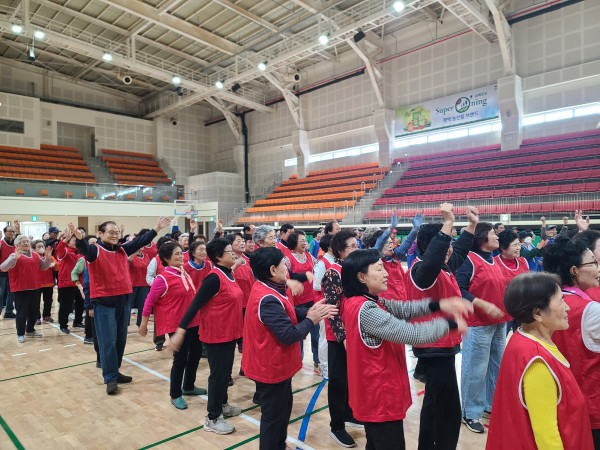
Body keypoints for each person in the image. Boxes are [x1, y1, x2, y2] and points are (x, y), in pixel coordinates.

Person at [341, 249, 471, 450]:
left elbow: (403, 309)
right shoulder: (366, 310)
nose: (386, 273)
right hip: (380, 397)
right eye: (379, 269)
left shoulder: (366, 301)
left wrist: (439, 304)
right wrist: (450, 324)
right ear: (361, 276)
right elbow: (411, 334)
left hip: (375, 394)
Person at [486, 272, 595, 450]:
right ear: (537, 313)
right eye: (561, 301)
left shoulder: (524, 339)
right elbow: (547, 436)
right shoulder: (537, 361)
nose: (567, 307)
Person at [242, 247, 337, 450]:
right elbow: (288, 335)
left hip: (276, 365)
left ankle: (279, 445)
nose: (287, 268)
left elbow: (286, 312)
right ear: (272, 270)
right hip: (270, 367)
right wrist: (311, 319)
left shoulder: (269, 287)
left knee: (282, 411)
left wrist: (308, 311)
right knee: (273, 417)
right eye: (283, 265)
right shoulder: (267, 298)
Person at [405, 203, 478, 450]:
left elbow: (459, 252)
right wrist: (448, 223)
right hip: (433, 347)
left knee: (433, 404)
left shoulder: (443, 266)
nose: (450, 249)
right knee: (448, 411)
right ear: (430, 247)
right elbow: (433, 261)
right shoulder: (422, 271)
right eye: (446, 244)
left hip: (442, 346)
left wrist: (471, 226)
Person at [73, 217, 171, 395]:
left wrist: (156, 228)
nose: (115, 235)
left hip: (123, 303)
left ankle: (115, 371)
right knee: (108, 342)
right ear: (100, 234)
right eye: (111, 232)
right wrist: (79, 239)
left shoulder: (122, 249)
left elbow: (141, 241)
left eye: (117, 233)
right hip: (104, 304)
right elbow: (84, 249)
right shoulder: (95, 251)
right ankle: (110, 377)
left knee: (120, 341)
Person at [170, 239, 244, 435]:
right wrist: (181, 330)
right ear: (218, 256)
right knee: (218, 376)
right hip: (217, 335)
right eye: (229, 251)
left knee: (225, 373)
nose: (233, 254)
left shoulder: (229, 273)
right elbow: (194, 305)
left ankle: (223, 404)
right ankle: (212, 418)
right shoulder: (213, 279)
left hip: (230, 333)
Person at [543, 237, 600, 448]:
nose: (598, 268)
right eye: (593, 263)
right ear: (574, 270)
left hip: (560, 403)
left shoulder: (545, 304)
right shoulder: (591, 310)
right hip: (592, 406)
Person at [139, 241, 207, 409]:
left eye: (181, 253)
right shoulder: (162, 278)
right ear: (166, 258)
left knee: (196, 354)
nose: (181, 256)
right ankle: (175, 394)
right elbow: (149, 301)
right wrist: (143, 325)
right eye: (176, 254)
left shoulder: (183, 273)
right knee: (180, 359)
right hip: (177, 325)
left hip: (193, 321)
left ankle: (188, 386)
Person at [455, 222, 508, 433]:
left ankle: (489, 405)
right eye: (494, 233)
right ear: (482, 237)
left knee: (496, 366)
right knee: (475, 369)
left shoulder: (493, 259)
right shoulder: (468, 260)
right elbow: (458, 289)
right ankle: (470, 412)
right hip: (477, 324)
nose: (497, 236)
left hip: (499, 322)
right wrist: (482, 304)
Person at [322, 228, 362, 448]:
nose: (356, 249)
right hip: (339, 336)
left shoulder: (354, 269)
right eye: (352, 247)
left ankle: (348, 413)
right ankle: (336, 426)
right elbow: (331, 309)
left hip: (354, 332)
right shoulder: (333, 273)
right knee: (338, 381)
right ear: (340, 250)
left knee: (350, 378)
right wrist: (343, 337)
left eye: (357, 245)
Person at [0, 234, 53, 342]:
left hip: (35, 288)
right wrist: (14, 258)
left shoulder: (35, 255)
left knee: (34, 311)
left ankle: (30, 330)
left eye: (27, 241)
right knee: (22, 313)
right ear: (17, 245)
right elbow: (3, 267)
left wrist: (48, 258)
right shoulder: (13, 255)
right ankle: (20, 334)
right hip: (21, 289)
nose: (25, 243)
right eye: (22, 241)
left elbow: (44, 267)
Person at [284, 231, 319, 369]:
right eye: (302, 241)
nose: (305, 243)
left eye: (305, 240)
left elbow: (318, 269)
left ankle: (317, 359)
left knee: (315, 333)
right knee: (299, 334)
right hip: (297, 302)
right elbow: (286, 278)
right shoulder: (287, 259)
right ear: (294, 242)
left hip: (312, 299)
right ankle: (298, 359)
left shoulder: (310, 256)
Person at [495, 230, 530, 336]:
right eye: (514, 245)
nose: (518, 248)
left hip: (522, 310)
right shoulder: (494, 263)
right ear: (503, 248)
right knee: (500, 341)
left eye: (519, 244)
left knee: (522, 339)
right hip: (503, 312)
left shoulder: (523, 261)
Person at [227, 233, 254, 359]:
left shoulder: (249, 261)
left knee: (247, 337)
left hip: (248, 302)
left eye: (243, 241)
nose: (242, 243)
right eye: (238, 241)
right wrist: (235, 265)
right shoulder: (228, 261)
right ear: (230, 245)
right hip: (233, 304)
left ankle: (246, 365)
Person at [312, 233, 334, 378]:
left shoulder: (336, 261)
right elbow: (316, 285)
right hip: (324, 305)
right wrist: (334, 285)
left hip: (333, 304)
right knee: (325, 337)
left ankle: (330, 364)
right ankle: (324, 366)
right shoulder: (322, 263)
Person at [55, 228, 85, 333]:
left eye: (77, 241)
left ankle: (78, 321)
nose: (76, 243)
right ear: (68, 242)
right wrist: (65, 239)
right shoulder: (65, 251)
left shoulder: (81, 253)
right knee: (66, 306)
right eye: (73, 241)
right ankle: (63, 325)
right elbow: (59, 249)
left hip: (80, 283)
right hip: (67, 283)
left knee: (81, 304)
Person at [32, 239, 58, 323]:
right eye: (39, 246)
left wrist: (55, 264)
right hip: (36, 283)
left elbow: (57, 267)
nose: (41, 248)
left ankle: (47, 316)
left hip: (48, 283)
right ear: (34, 248)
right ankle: (36, 317)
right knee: (36, 301)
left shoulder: (49, 256)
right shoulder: (32, 256)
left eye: (42, 246)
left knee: (48, 301)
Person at [0, 222, 20, 318]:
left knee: (12, 292)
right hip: (2, 273)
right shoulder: (1, 244)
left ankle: (9, 312)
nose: (12, 233)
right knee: (1, 293)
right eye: (10, 231)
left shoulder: (16, 245)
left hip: (13, 273)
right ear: (5, 233)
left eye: (13, 231)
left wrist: (18, 229)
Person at [128, 248, 150, 327]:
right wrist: (133, 253)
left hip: (144, 284)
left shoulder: (146, 256)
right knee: (128, 306)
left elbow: (150, 269)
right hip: (132, 284)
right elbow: (126, 265)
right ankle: (125, 324)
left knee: (143, 305)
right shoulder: (131, 256)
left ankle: (140, 324)